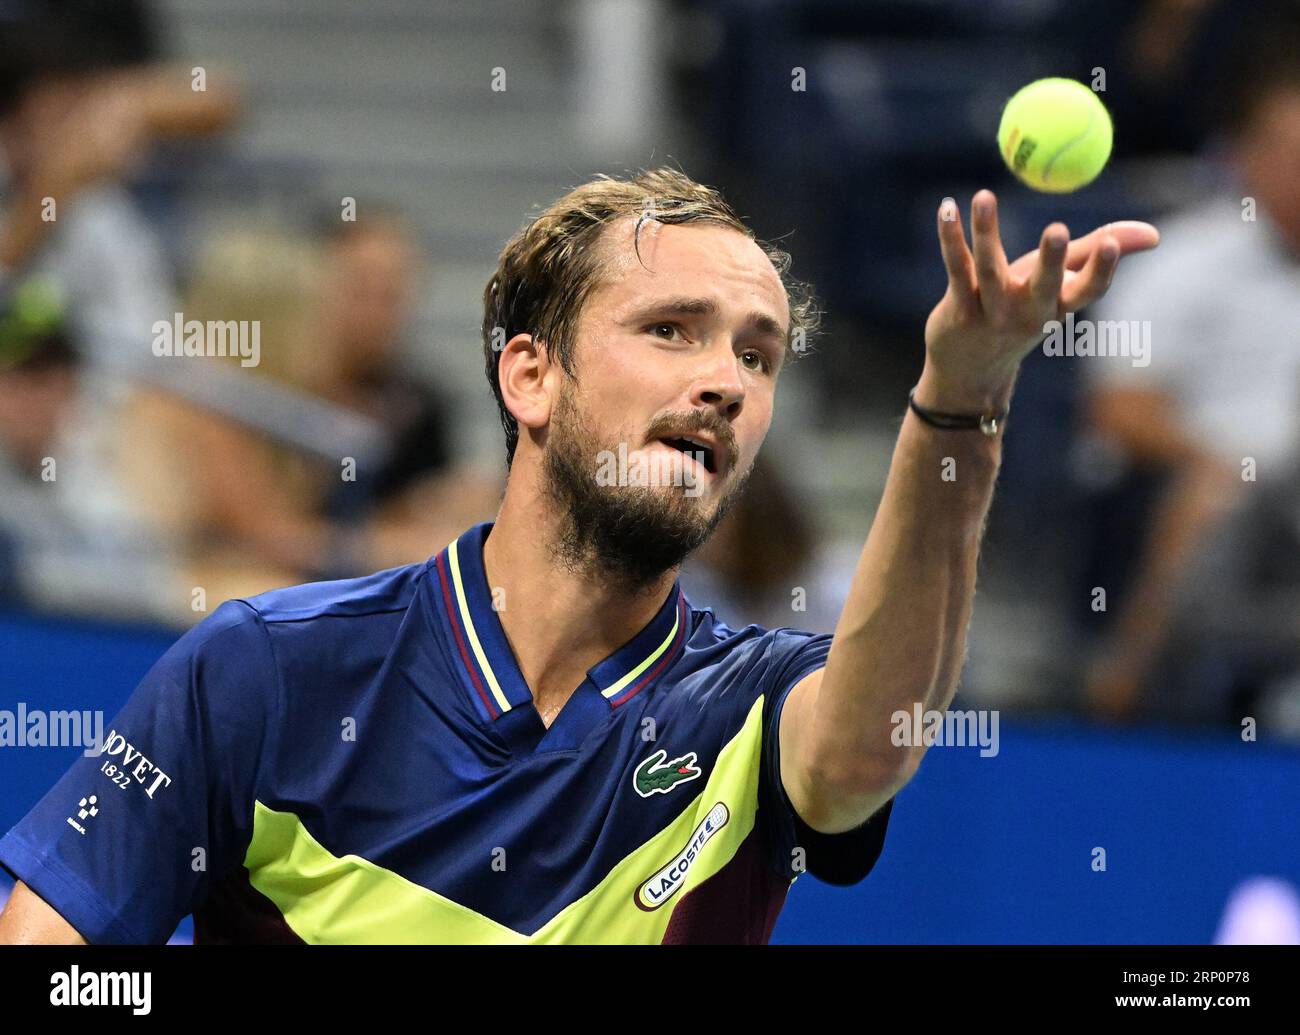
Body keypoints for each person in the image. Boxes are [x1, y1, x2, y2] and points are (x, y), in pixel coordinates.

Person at [0, 168, 1156, 943]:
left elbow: (862, 751)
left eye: (758, 357)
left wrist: (960, 397)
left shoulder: (748, 708)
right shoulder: (265, 673)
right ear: (528, 376)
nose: (725, 382)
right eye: (671, 331)